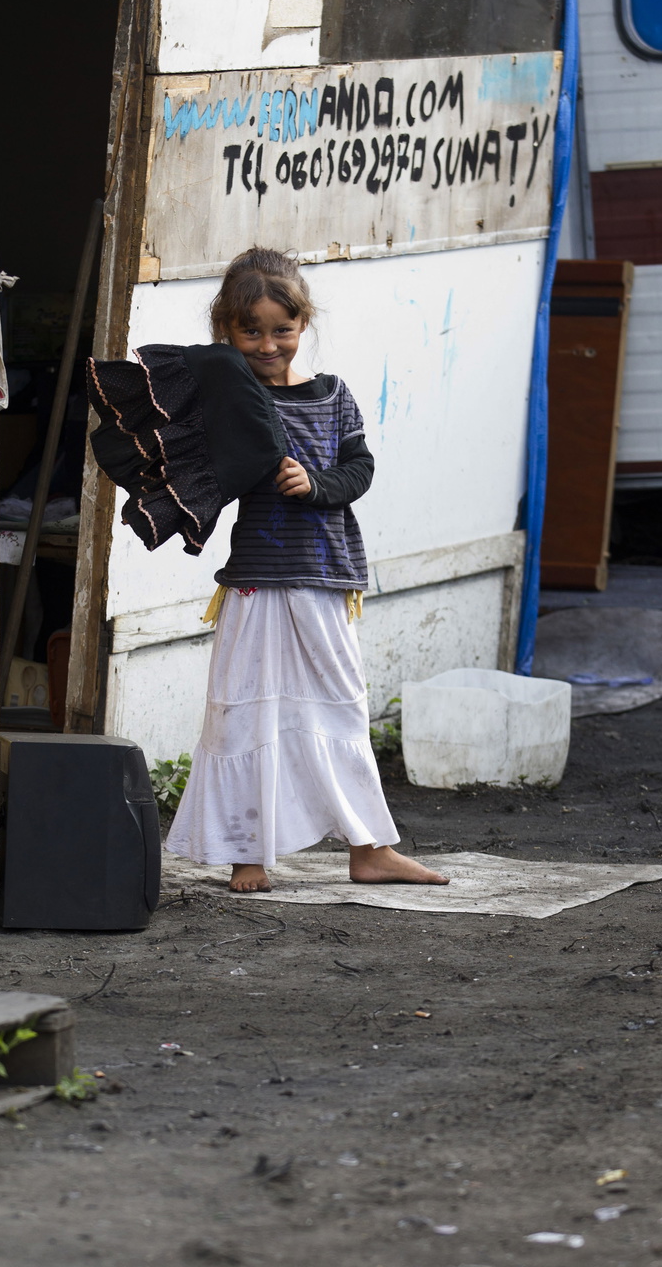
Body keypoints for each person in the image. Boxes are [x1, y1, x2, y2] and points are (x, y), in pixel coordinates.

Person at [165, 247, 449, 894]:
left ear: (303, 324)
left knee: (340, 709)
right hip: (259, 576)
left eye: (281, 329)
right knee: (244, 712)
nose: (268, 344)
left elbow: (359, 470)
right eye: (251, 330)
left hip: (325, 574)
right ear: (226, 330)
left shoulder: (332, 397)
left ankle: (368, 849)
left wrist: (314, 483)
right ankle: (247, 854)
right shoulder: (230, 404)